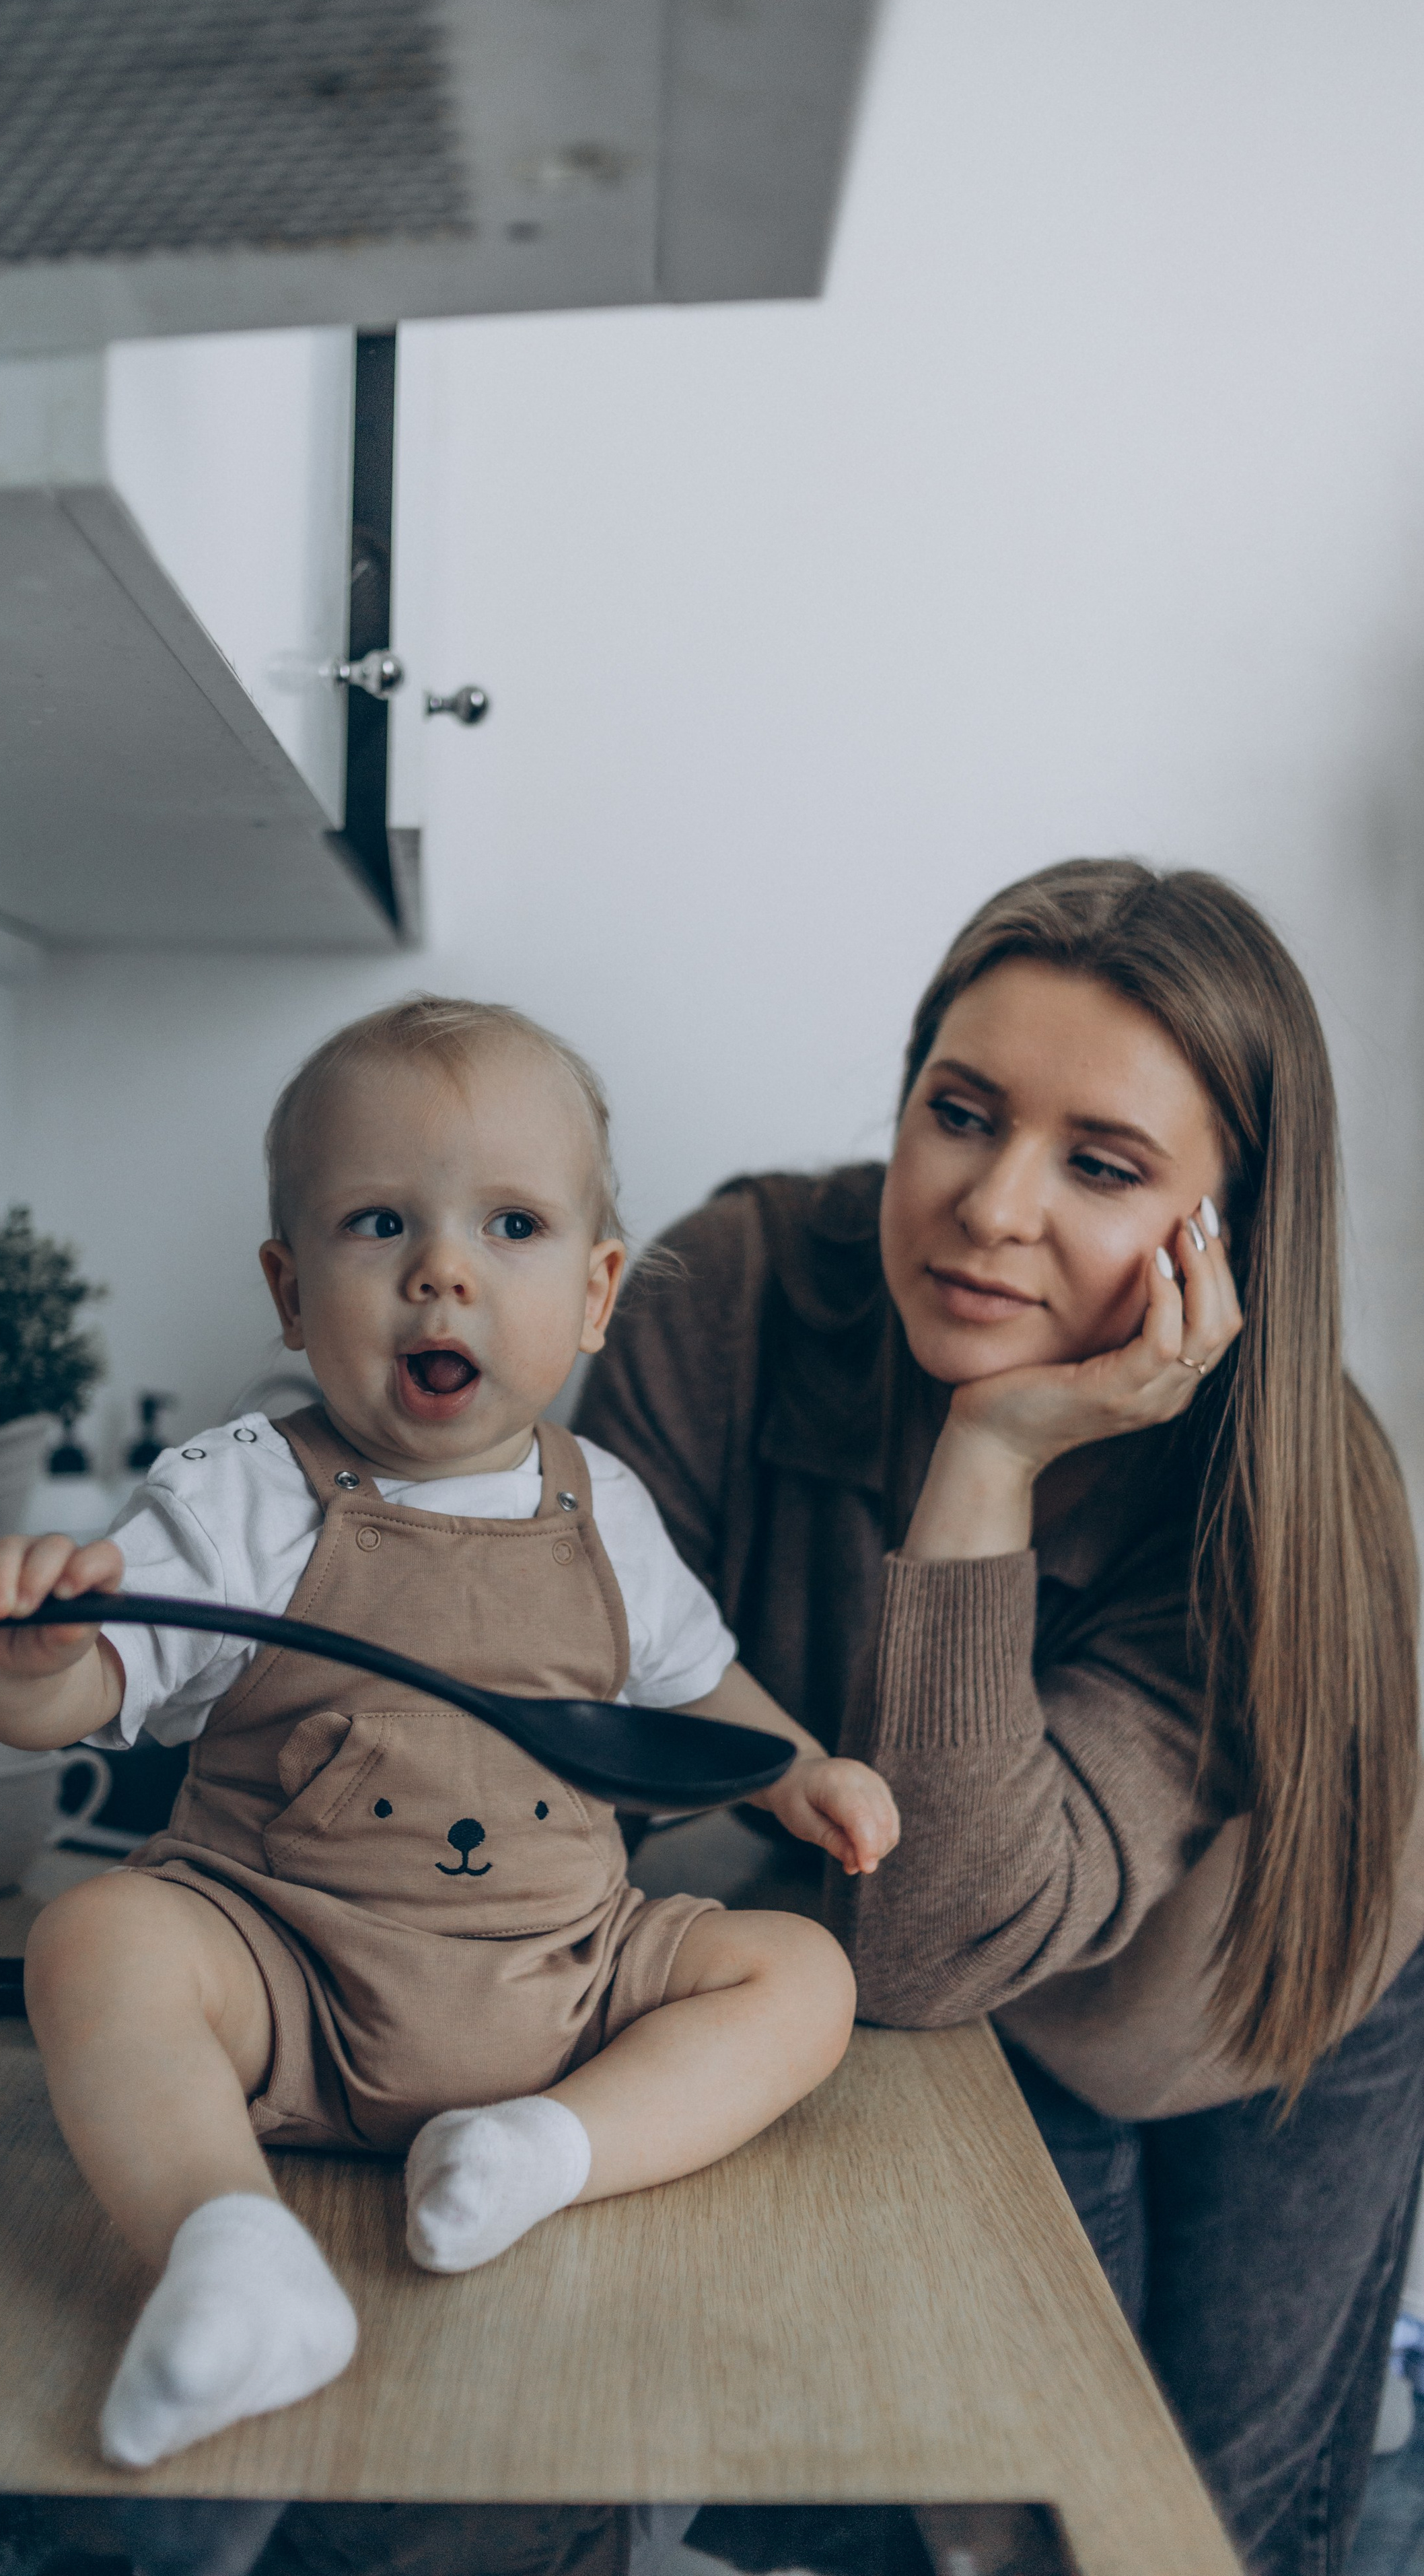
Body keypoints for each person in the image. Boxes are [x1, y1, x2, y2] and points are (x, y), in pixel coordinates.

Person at [577, 859, 1424, 2576]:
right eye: (958, 1113)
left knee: (1213, 2533)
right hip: (949, 1977)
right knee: (989, 2517)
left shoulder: (1277, 1492)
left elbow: (939, 1917)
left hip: (1265, 1995)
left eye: (1099, 1166)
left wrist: (991, 1462)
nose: (987, 1206)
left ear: (1228, 1231)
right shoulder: (729, 1292)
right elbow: (584, 1719)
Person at [0, 997, 897, 2469]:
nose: (442, 1272)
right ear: (287, 1288)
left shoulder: (609, 1510)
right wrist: (26, 1659)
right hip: (286, 1973)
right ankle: (233, 2250)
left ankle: (547, 2154)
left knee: (801, 1977)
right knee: (97, 1938)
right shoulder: (244, 1497)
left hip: (567, 1989)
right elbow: (74, 1699)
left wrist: (800, 1774)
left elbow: (698, 1690)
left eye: (508, 1227)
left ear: (593, 1294)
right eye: (379, 1224)